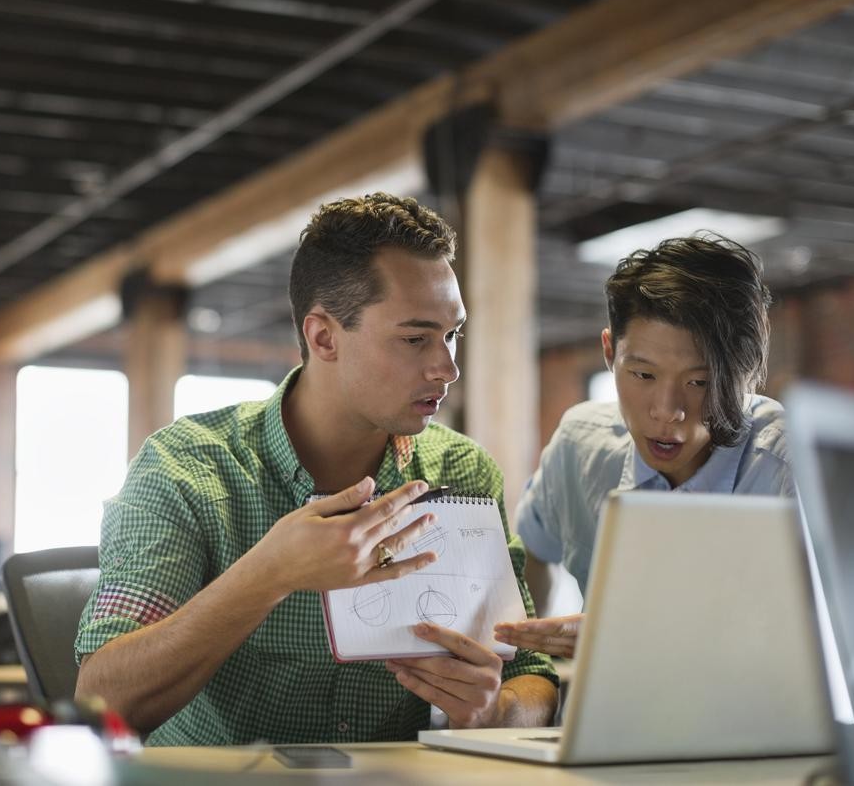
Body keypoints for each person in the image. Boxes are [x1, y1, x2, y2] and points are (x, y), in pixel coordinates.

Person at [74, 192, 558, 745]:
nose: (447, 368)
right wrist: (269, 575)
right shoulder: (187, 468)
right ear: (323, 336)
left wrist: (495, 710)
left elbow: (532, 680)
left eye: (451, 335)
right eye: (415, 338)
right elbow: (100, 701)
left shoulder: (463, 472)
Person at [494, 233, 794, 659]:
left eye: (699, 382)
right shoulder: (581, 447)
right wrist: (526, 667)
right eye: (643, 376)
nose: (667, 412)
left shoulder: (787, 472)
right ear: (609, 352)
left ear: (744, 373)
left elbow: (821, 654)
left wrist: (635, 639)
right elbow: (531, 555)